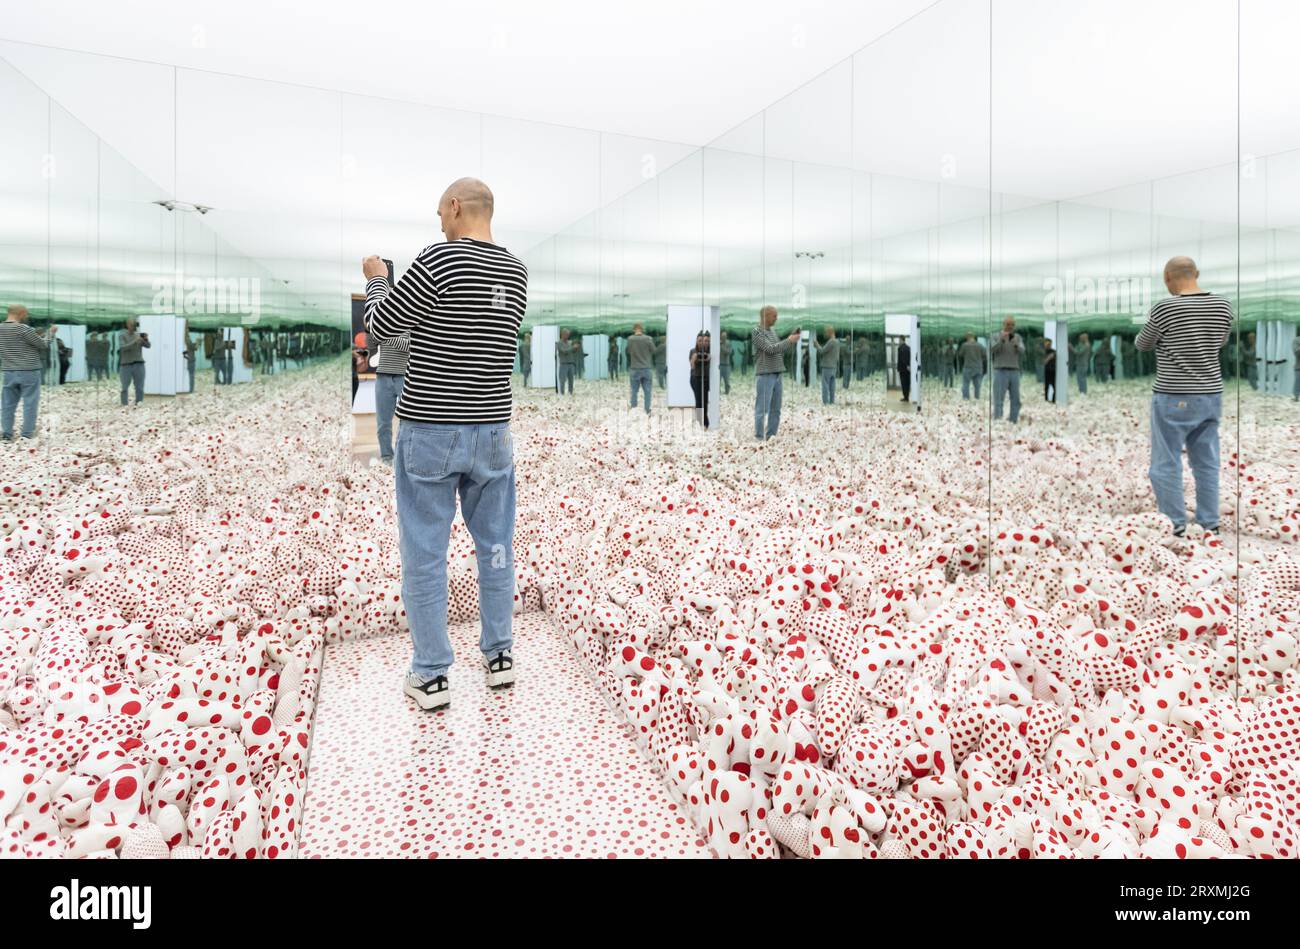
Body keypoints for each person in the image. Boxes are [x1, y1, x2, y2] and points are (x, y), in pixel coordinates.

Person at [362, 176, 528, 711]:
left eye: (440, 212)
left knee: (426, 553)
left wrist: (378, 280)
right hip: (493, 434)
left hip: (431, 431)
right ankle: (499, 655)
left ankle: (431, 674)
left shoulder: (440, 260)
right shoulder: (518, 272)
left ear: (455, 208)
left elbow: (382, 326)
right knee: (496, 546)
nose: (438, 221)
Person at [1136, 256, 1233, 537]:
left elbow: (1143, 343)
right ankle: (1209, 523)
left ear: (1167, 278)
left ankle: (1175, 524)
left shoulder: (1165, 308)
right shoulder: (1223, 305)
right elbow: (1221, 341)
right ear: (1197, 273)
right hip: (1210, 394)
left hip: (1172, 395)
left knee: (1165, 461)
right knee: (1207, 461)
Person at [1, 306, 54, 441]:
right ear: (22, 313)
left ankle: (7, 434)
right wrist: (50, 333)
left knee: (7, 404)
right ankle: (27, 435)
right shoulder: (24, 329)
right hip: (29, 371)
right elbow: (43, 345)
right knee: (30, 403)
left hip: (8, 371)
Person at [751, 305, 798, 440]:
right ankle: (759, 437)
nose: (776, 318)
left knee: (776, 409)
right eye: (774, 316)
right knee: (762, 409)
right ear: (765, 316)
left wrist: (790, 341)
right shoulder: (757, 332)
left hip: (777, 373)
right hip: (766, 374)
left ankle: (771, 435)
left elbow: (779, 349)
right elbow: (770, 349)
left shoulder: (772, 331)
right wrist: (789, 340)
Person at [372, 331, 410, 464]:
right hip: (382, 377)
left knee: (407, 422)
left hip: (404, 377)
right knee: (383, 423)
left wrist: (387, 336)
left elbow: (408, 346)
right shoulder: (384, 325)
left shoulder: (411, 324)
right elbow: (372, 342)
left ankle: (403, 457)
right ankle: (386, 457)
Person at [991, 316, 1024, 422]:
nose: (1010, 327)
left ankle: (1013, 421)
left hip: (1014, 371)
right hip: (1000, 370)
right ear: (1003, 324)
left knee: (1016, 399)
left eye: (1012, 325)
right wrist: (1001, 340)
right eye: (1008, 324)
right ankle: (998, 421)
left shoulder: (1017, 337)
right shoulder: (995, 335)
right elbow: (992, 349)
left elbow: (1022, 350)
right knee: (999, 398)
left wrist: (1016, 345)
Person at [118, 317, 150, 406]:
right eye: (132, 325)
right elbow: (123, 348)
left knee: (139, 387)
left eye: (135, 325)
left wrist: (146, 339)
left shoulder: (138, 335)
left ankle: (139, 403)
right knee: (124, 387)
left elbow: (148, 346)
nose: (134, 326)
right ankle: (124, 405)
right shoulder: (122, 336)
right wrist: (135, 341)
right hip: (125, 365)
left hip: (139, 364)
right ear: (127, 325)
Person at [625, 323, 655, 414]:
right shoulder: (648, 339)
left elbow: (627, 351)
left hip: (634, 368)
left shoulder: (630, 339)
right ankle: (647, 410)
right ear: (642, 329)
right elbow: (654, 350)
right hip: (646, 368)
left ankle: (634, 408)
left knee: (634, 390)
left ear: (634, 329)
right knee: (647, 391)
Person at [689, 331, 711, 429]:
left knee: (705, 401)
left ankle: (704, 422)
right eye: (700, 340)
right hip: (695, 379)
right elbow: (692, 365)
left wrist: (708, 357)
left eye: (706, 341)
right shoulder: (693, 351)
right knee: (699, 401)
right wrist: (696, 358)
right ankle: (701, 422)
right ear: (697, 341)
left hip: (706, 379)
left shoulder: (711, 351)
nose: (703, 343)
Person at [959, 332, 986, 400]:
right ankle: (977, 398)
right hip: (978, 367)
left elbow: (960, 355)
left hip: (968, 366)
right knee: (977, 385)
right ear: (973, 337)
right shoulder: (980, 345)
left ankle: (966, 398)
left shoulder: (964, 345)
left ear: (967, 337)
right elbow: (984, 355)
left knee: (966, 383)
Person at [817, 326, 840, 405]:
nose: (825, 334)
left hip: (827, 366)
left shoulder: (831, 342)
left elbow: (822, 351)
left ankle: (825, 402)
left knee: (825, 385)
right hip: (834, 366)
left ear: (830, 332)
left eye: (826, 332)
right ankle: (832, 401)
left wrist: (816, 345)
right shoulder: (837, 342)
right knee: (832, 385)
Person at [555, 328, 579, 395]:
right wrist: (572, 348)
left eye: (568, 335)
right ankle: (562, 393)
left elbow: (572, 352)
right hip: (563, 364)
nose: (567, 336)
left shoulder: (570, 342)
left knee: (571, 380)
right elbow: (564, 351)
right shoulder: (559, 343)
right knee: (562, 380)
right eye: (566, 334)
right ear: (562, 334)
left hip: (571, 364)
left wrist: (576, 348)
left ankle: (570, 393)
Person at [897, 338, 912, 402]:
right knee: (907, 383)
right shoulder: (908, 348)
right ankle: (907, 396)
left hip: (902, 368)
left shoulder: (900, 348)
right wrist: (908, 365)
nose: (899, 341)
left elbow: (902, 359)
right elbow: (909, 358)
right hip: (908, 368)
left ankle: (905, 397)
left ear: (902, 340)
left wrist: (904, 366)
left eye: (899, 340)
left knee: (903, 383)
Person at [1043, 339, 1057, 403]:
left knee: (1055, 386)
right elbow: (1043, 362)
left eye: (1050, 344)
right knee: (1046, 387)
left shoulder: (1054, 352)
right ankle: (1046, 400)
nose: (1049, 345)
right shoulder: (1043, 352)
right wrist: (1049, 357)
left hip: (1053, 371)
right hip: (1046, 371)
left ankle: (1054, 401)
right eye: (1047, 344)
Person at [718, 330, 732, 394]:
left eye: (725, 336)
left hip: (726, 365)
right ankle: (717, 392)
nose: (723, 337)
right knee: (718, 380)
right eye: (722, 336)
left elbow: (728, 352)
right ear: (720, 336)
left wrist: (722, 346)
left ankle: (727, 392)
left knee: (727, 380)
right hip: (719, 365)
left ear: (726, 336)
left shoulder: (728, 343)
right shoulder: (718, 343)